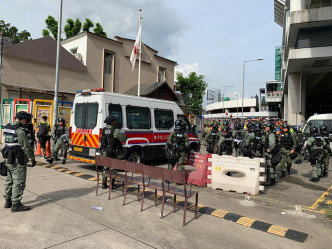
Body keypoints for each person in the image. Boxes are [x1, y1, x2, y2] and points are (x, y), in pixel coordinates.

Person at [2, 111, 36, 212]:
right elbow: (26, 146)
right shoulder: (20, 130)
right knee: (19, 181)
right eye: (27, 120)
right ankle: (16, 204)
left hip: (9, 157)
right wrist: (32, 158)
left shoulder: (8, 127)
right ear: (22, 119)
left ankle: (8, 201)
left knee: (10, 180)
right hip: (18, 159)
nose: (28, 122)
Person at [99, 116, 128, 189]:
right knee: (113, 168)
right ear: (112, 122)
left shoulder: (104, 130)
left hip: (105, 151)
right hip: (113, 151)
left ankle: (104, 184)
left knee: (105, 167)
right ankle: (112, 184)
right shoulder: (115, 130)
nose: (115, 122)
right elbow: (124, 138)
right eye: (114, 121)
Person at [262, 122, 278, 186]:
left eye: (267, 127)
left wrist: (269, 149)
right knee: (272, 166)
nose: (266, 128)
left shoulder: (271, 135)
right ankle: (273, 180)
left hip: (270, 153)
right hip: (272, 153)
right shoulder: (270, 134)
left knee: (269, 166)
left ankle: (269, 181)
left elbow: (273, 143)